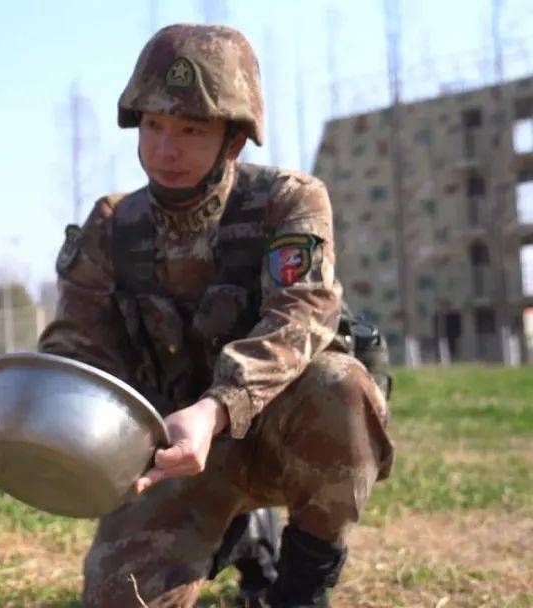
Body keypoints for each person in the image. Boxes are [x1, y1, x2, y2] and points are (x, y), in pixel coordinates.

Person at [38, 23, 394, 608]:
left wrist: (215, 409)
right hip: (173, 460)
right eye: (153, 125)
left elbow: (301, 314)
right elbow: (79, 342)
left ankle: (299, 591)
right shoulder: (112, 225)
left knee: (341, 385)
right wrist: (42, 400)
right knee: (124, 599)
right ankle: (240, 535)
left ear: (233, 140)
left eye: (190, 129)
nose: (165, 149)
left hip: (283, 438)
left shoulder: (290, 200)